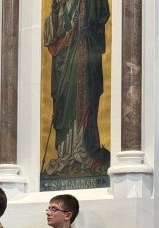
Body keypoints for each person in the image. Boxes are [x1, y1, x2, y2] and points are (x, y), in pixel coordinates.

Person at [42, 0, 111, 176]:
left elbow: (101, 14)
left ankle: (83, 149)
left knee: (84, 100)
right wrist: (56, 14)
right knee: (64, 105)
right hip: (63, 63)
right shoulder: (60, 6)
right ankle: (66, 153)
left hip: (83, 53)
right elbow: (52, 37)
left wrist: (83, 26)